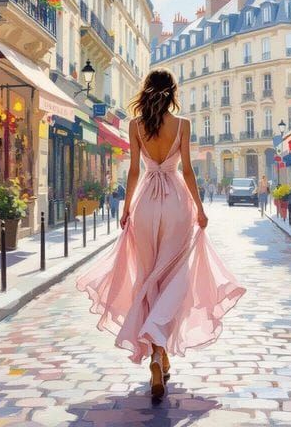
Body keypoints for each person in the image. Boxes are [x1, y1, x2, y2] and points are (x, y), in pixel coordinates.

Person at [75, 70, 245, 401]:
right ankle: (158, 348)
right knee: (175, 278)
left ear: (147, 91)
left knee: (148, 278)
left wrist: (125, 209)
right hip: (177, 205)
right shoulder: (182, 125)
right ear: (171, 93)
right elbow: (187, 171)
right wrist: (200, 208)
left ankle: (157, 353)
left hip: (146, 208)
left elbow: (134, 171)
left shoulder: (136, 126)